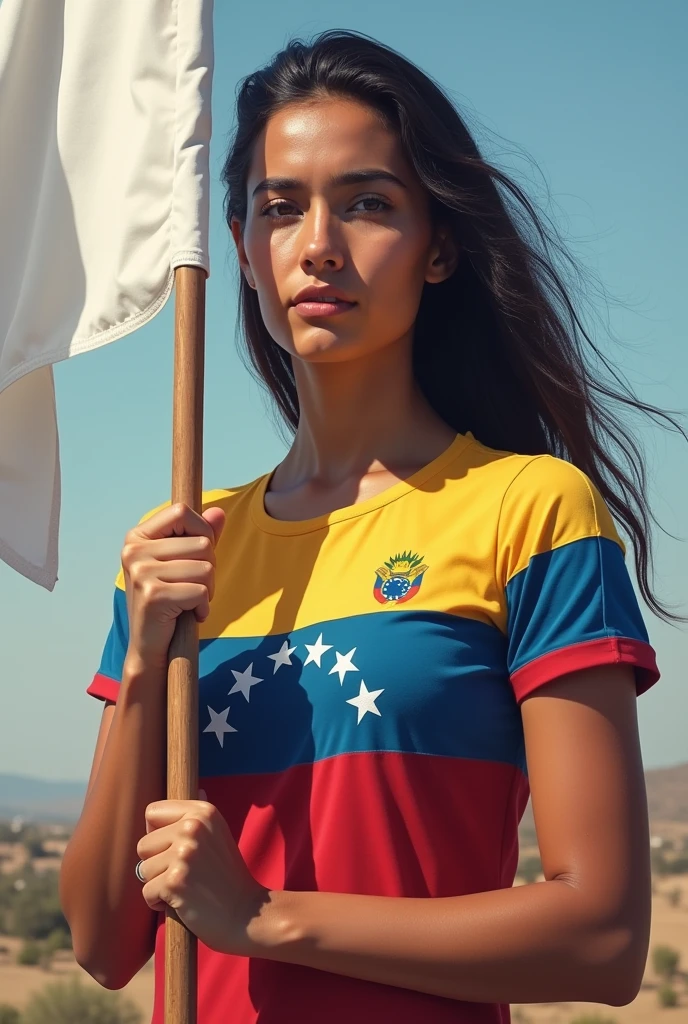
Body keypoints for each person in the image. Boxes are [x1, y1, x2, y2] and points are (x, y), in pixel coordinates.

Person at [60, 29, 679, 1024]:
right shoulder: (182, 544)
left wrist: (264, 917)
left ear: (438, 246)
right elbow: (102, 942)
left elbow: (601, 937)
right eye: (280, 208)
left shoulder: (530, 508)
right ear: (240, 253)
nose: (319, 245)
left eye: (366, 203)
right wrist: (140, 669)